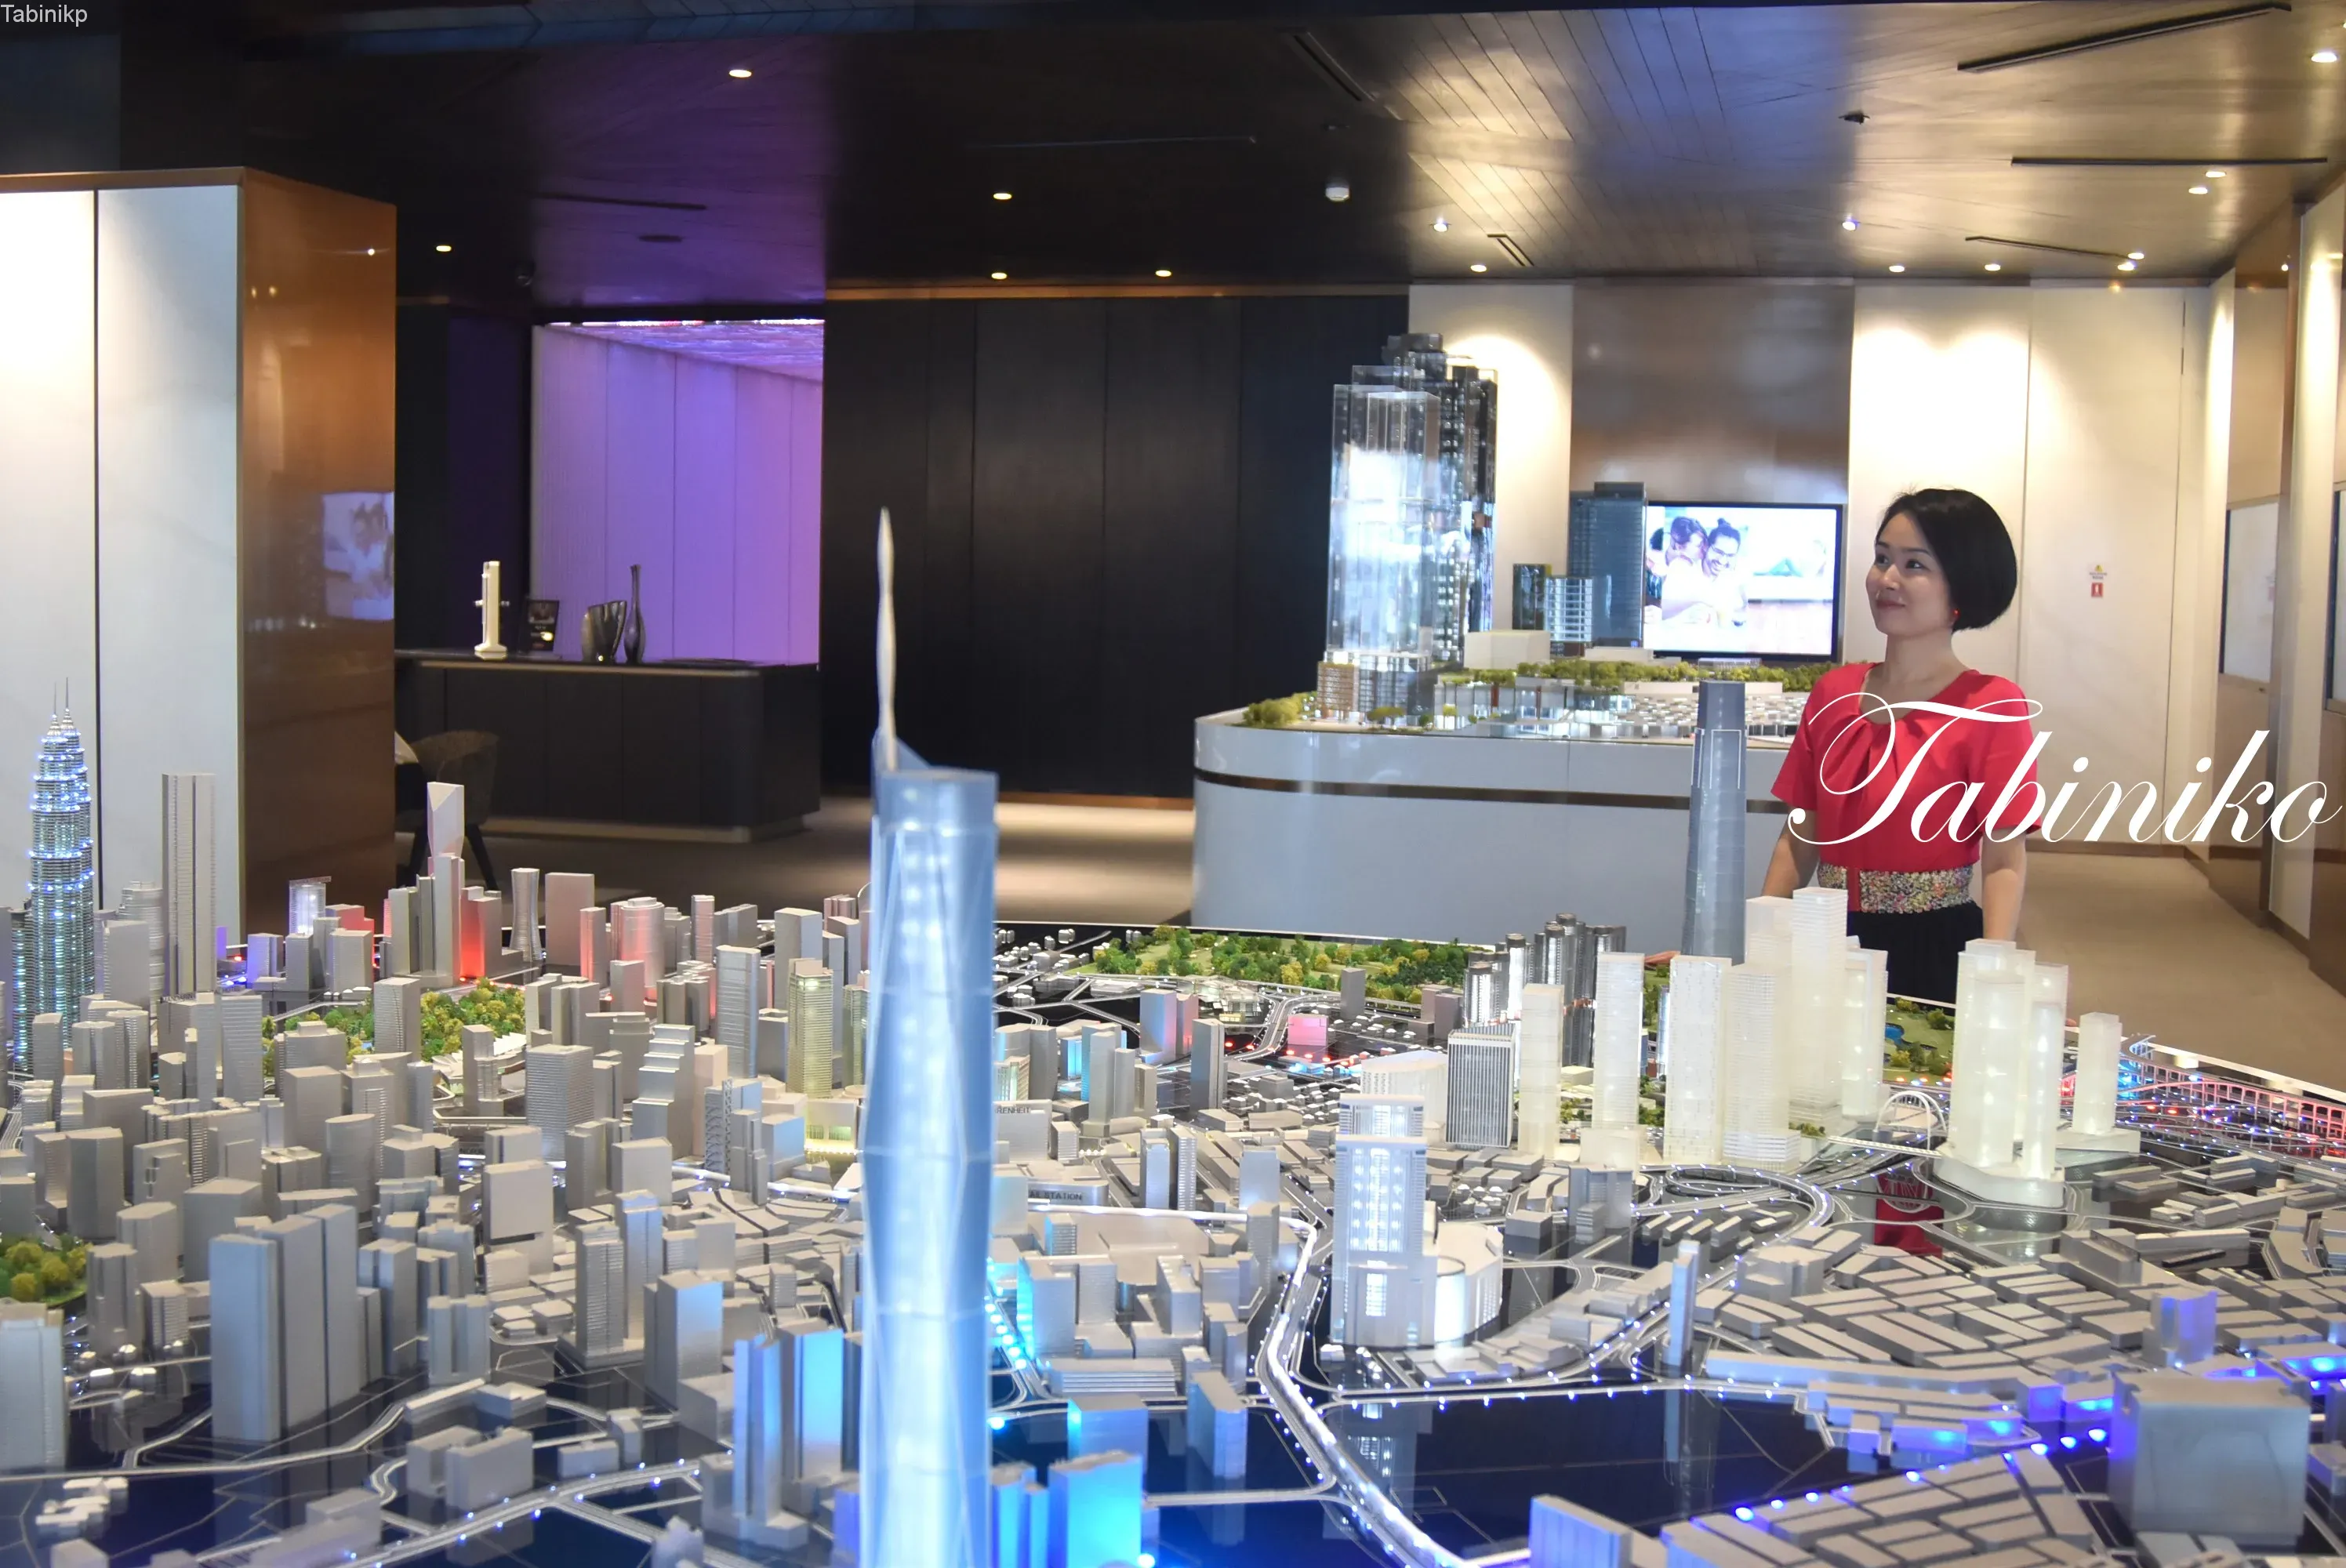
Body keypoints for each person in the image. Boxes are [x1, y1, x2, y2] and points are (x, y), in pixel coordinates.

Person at [1761, 488, 2040, 1003]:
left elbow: (2004, 858)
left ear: (1962, 584)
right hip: (1826, 938)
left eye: (1915, 565)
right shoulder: (1833, 693)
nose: (1887, 579)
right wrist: (1763, 941)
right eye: (1882, 558)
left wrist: (1994, 973)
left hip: (1932, 946)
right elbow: (1799, 835)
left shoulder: (1992, 706)